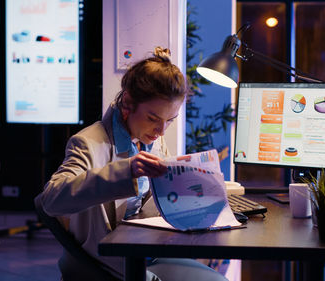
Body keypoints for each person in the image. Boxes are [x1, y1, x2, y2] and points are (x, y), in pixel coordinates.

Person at [35, 47, 227, 281]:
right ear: (127, 102)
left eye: (170, 120)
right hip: (102, 260)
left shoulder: (152, 140)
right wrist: (125, 171)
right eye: (153, 119)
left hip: (143, 247)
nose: (161, 130)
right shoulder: (87, 142)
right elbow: (50, 201)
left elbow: (153, 205)